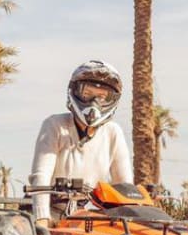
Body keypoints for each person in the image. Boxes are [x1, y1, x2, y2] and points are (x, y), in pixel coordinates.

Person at [28, 60, 133, 223]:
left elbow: (124, 186)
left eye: (102, 97)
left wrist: (129, 218)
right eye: (87, 94)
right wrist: (42, 218)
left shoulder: (113, 132)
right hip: (49, 206)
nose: (94, 103)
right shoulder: (55, 125)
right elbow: (41, 176)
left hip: (85, 213)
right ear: (75, 92)